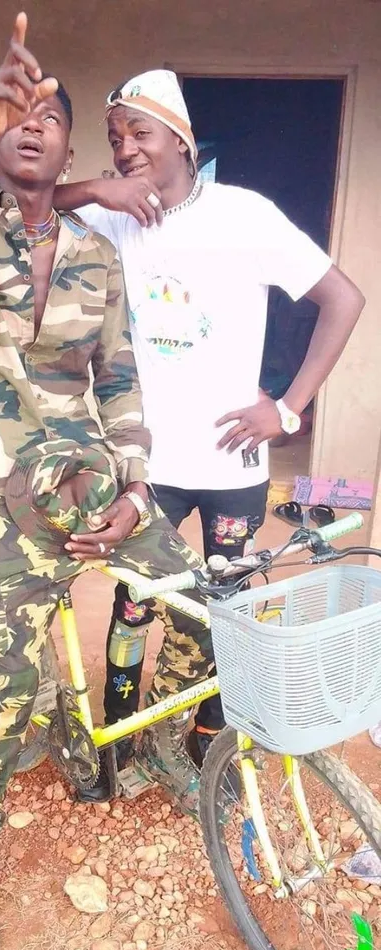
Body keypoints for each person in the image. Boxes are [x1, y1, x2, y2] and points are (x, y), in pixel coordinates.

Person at [0, 16, 219, 950]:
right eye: (16, 115)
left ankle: (153, 744)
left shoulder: (95, 254)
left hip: (97, 481)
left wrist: (139, 483)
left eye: (51, 117)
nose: (33, 124)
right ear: (1, 136)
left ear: (69, 146)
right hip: (6, 500)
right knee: (10, 690)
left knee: (200, 603)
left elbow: (118, 378)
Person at [53, 68, 365, 797]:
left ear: (181, 139)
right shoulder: (119, 215)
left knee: (224, 608)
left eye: (141, 132)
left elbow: (342, 298)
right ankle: (119, 745)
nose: (126, 149)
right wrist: (98, 189)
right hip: (148, 466)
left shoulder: (243, 215)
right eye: (116, 137)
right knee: (134, 604)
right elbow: (25, 199)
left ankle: (204, 741)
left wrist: (287, 410)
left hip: (233, 467)